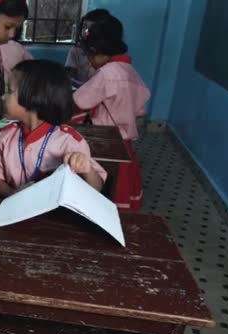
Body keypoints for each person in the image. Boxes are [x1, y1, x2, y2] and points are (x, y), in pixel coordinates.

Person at [0, 60, 107, 197]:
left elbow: (96, 189)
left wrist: (87, 170)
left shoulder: (70, 141)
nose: (3, 97)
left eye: (9, 91)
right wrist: (14, 194)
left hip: (53, 216)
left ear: (34, 98)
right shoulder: (5, 136)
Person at [73, 15, 150, 211]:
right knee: (120, 190)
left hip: (104, 144)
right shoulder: (130, 72)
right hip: (125, 145)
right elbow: (141, 108)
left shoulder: (107, 74)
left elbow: (79, 100)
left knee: (102, 189)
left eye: (90, 55)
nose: (90, 61)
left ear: (98, 51)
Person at [65, 8, 110, 84]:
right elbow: (69, 76)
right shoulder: (76, 51)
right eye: (84, 27)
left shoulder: (109, 54)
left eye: (91, 28)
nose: (86, 32)